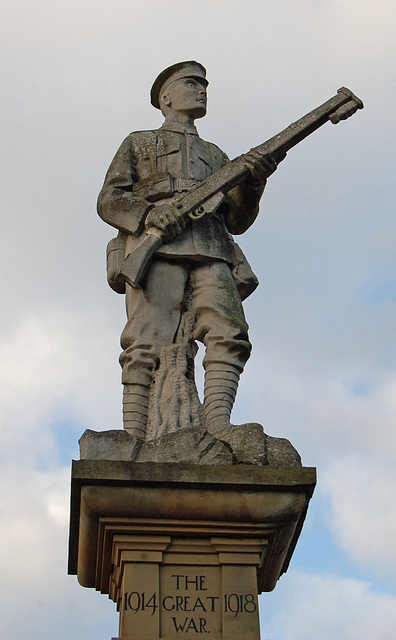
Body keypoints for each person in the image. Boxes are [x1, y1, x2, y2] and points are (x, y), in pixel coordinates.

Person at [97, 61, 279, 440]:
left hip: (212, 249)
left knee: (230, 332)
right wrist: (149, 213)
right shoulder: (140, 142)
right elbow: (110, 200)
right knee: (145, 337)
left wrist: (255, 183)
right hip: (160, 248)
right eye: (191, 83)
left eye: (204, 85)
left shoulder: (216, 154)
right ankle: (134, 433)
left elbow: (238, 220)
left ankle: (217, 424)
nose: (202, 90)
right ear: (166, 97)